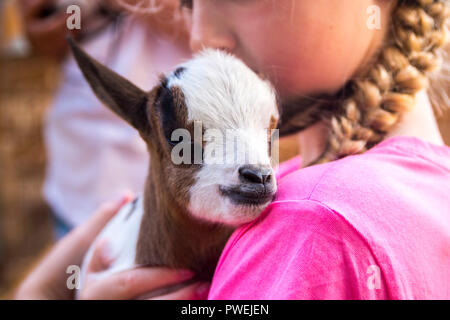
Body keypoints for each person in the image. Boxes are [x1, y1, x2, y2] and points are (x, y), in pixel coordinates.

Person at [16, 0, 450, 299]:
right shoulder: (432, 181)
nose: (202, 35)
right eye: (185, 1)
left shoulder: (311, 226)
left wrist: (37, 292)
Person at [19, 0, 191, 238]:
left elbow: (217, 25)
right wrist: (60, 22)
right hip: (77, 171)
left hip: (165, 175)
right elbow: (39, 36)